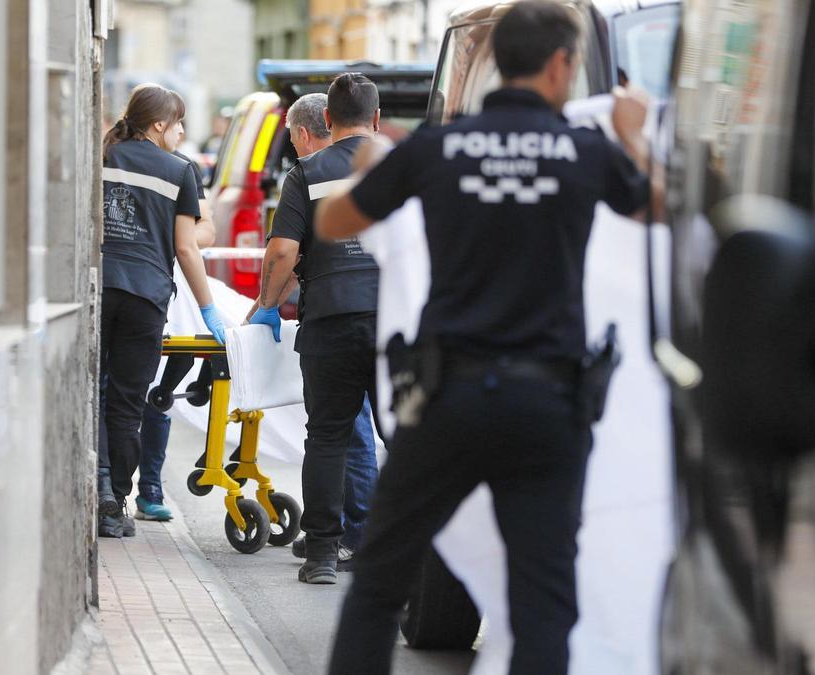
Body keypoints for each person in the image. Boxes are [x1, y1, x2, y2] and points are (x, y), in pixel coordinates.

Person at [316, 2, 655, 672]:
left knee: (380, 581)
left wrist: (367, 169)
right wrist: (631, 136)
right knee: (543, 603)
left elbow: (333, 222)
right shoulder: (588, 152)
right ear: (562, 64)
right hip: (548, 407)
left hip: (447, 399)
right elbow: (659, 205)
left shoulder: (437, 149)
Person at [247, 75, 383, 585]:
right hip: (393, 323)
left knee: (327, 438)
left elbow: (284, 251)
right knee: (405, 437)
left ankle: (322, 556)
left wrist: (266, 304)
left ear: (327, 120)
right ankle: (399, 551)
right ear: (376, 117)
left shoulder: (308, 171)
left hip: (329, 320)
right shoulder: (406, 167)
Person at [97, 83, 227, 538]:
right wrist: (210, 311)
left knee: (92, 393)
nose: (183, 131)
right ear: (159, 125)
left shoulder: (103, 154)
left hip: (97, 289)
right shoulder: (180, 170)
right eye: (179, 122)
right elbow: (187, 249)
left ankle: (95, 489)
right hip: (145, 298)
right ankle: (115, 503)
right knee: (127, 402)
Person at [131, 133, 217, 523]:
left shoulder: (184, 168)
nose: (182, 131)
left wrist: (170, 234)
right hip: (137, 287)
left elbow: (206, 231)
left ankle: (150, 487)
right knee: (124, 391)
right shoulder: (117, 160)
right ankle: (114, 487)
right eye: (177, 122)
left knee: (158, 396)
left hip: (176, 288)